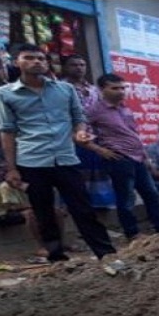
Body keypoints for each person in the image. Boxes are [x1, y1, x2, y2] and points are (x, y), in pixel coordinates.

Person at [0, 44, 120, 266]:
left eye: (41, 58)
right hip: (31, 161)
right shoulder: (5, 94)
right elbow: (7, 131)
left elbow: (78, 117)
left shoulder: (65, 90)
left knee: (83, 209)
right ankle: (57, 258)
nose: (37, 62)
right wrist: (12, 167)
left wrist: (80, 132)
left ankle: (107, 254)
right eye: (29, 58)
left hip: (65, 158)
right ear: (17, 62)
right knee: (43, 212)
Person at [84, 73, 159, 240]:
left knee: (151, 194)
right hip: (119, 158)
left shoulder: (125, 108)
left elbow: (133, 134)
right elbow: (79, 135)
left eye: (123, 88)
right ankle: (132, 233)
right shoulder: (94, 110)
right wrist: (100, 150)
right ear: (102, 89)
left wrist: (146, 157)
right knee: (126, 198)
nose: (121, 91)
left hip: (138, 158)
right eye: (115, 88)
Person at [61, 54, 115, 209]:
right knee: (77, 174)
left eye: (82, 64)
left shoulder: (93, 89)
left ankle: (99, 206)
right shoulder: (59, 88)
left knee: (97, 172)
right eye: (74, 64)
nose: (78, 68)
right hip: (69, 137)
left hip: (94, 137)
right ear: (65, 67)